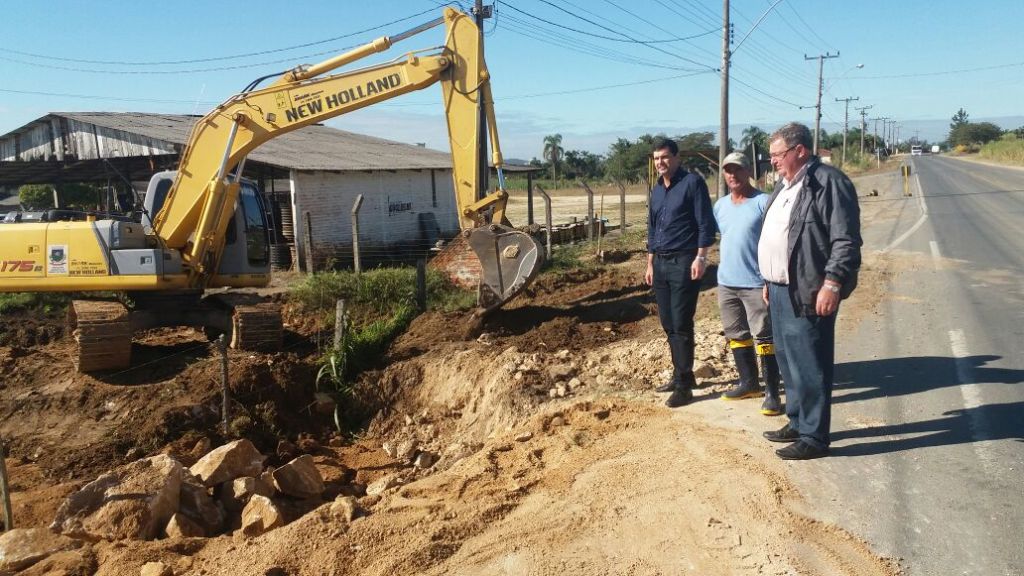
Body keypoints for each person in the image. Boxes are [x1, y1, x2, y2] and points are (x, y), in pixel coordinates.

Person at [757, 122, 862, 460]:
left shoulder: (828, 182)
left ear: (799, 150)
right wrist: (768, 279)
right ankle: (798, 422)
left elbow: (845, 240)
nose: (771, 161)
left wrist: (832, 283)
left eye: (777, 155)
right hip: (779, 289)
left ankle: (815, 438)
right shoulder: (785, 185)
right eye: (770, 155)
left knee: (811, 365)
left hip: (809, 288)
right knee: (789, 362)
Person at [645, 138, 716, 408]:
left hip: (684, 261)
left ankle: (685, 384)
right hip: (660, 263)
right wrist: (650, 263)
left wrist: (701, 257)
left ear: (676, 158)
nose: (660, 163)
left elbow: (704, 224)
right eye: (656, 159)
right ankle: (680, 375)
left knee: (682, 322)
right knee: (668, 322)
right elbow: (652, 229)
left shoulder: (692, 184)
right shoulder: (657, 191)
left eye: (664, 157)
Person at [713, 152, 782, 416]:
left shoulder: (763, 202)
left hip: (755, 282)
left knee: (764, 335)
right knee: (736, 334)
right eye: (728, 170)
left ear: (748, 172)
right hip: (727, 283)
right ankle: (748, 382)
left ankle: (772, 393)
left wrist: (768, 278)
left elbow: (776, 242)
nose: (732, 175)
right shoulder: (720, 206)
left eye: (738, 170)